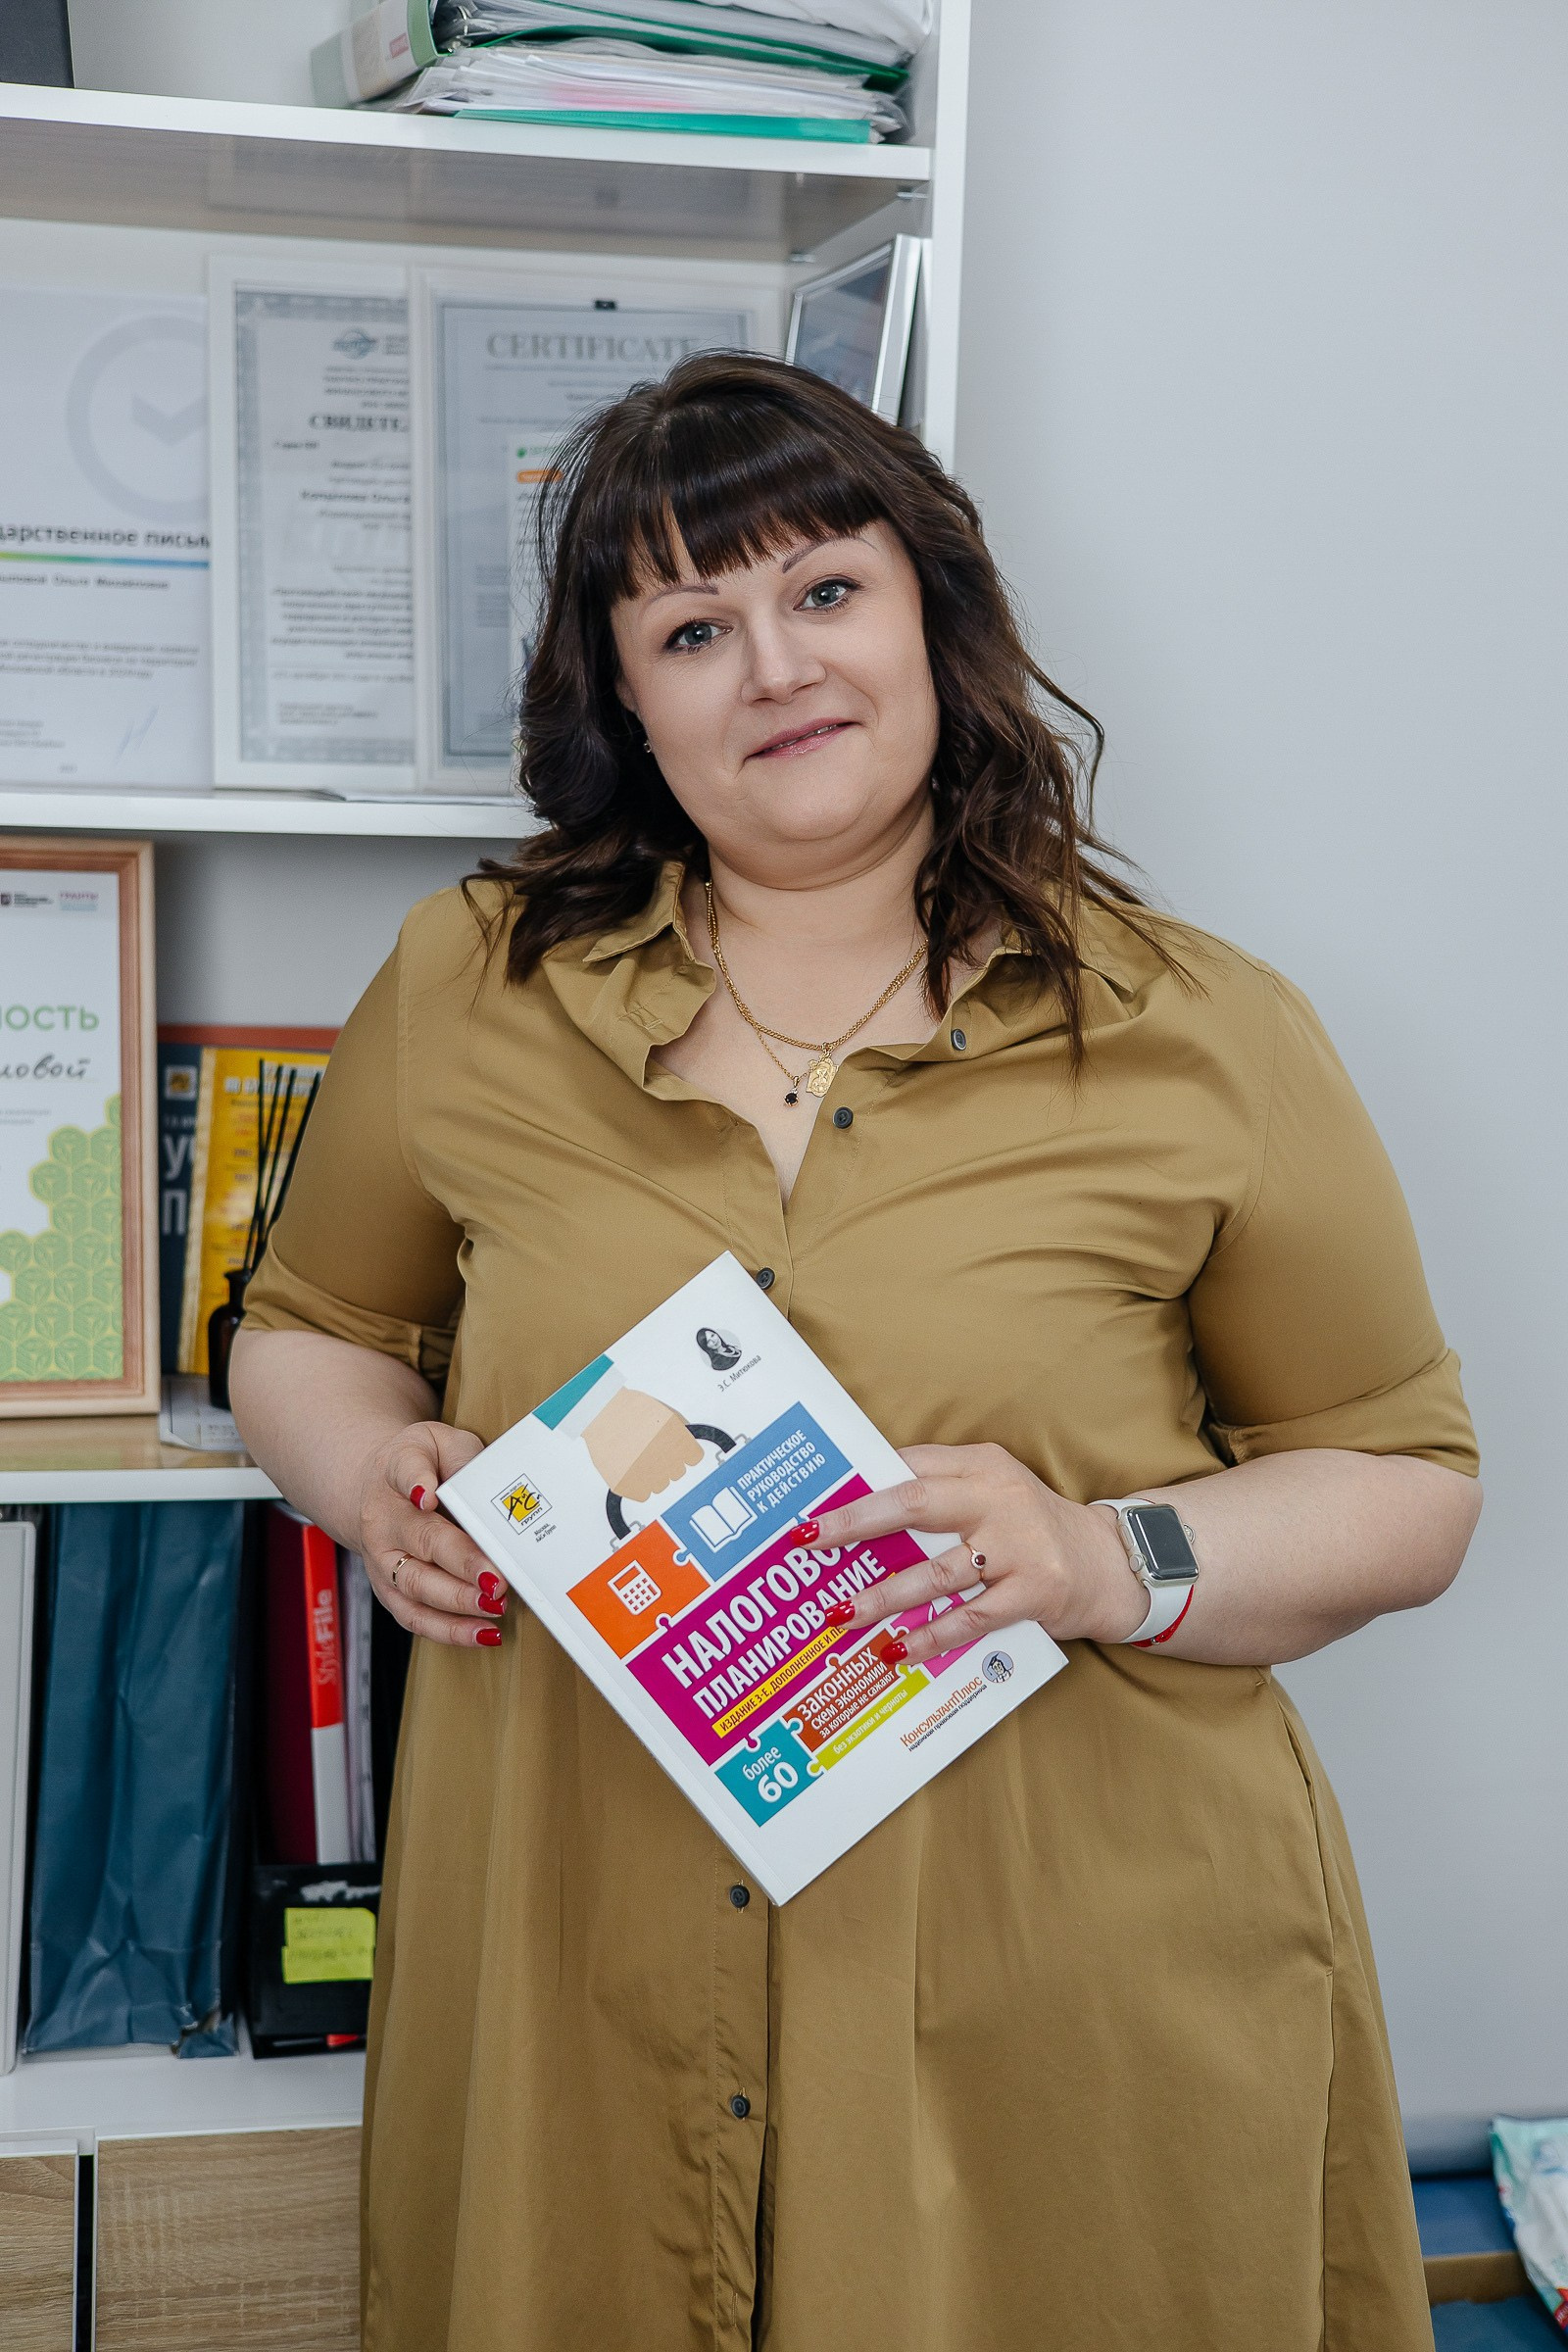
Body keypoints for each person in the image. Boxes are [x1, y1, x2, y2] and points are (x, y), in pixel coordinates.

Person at [230, 352, 1481, 2352]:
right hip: (579, 1948)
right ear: (624, 702)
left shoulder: (1202, 1032)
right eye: (690, 629)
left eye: (823, 591)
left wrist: (1108, 1558)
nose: (774, 668)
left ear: (931, 616)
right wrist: (364, 1474)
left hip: (1072, 1978)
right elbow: (311, 1330)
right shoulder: (471, 981)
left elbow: (1406, 1483)